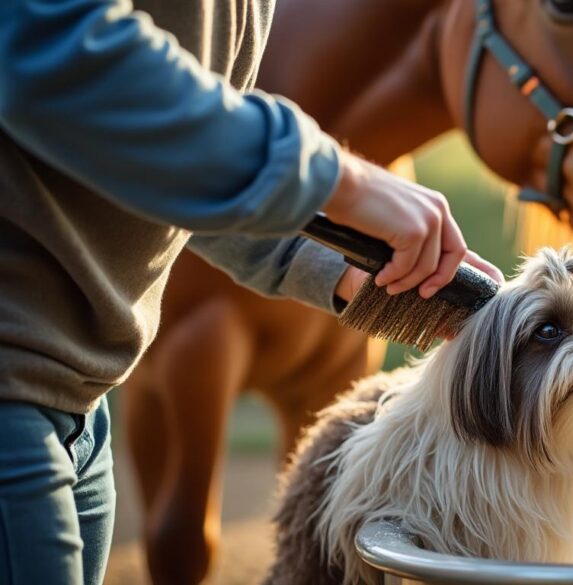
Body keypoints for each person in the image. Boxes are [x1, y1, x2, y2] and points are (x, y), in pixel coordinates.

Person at [0, 1, 503, 584]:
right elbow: (46, 39)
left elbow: (173, 165)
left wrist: (337, 272)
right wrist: (344, 180)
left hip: (77, 405)